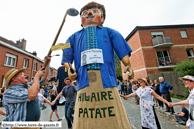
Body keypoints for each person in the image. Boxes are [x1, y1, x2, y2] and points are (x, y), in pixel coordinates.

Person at [61, 2, 134, 128]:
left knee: (113, 115)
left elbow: (121, 48)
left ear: (103, 19)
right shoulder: (73, 37)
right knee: (85, 115)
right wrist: (70, 69)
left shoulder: (110, 32)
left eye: (95, 11)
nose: (89, 13)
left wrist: (127, 64)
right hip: (84, 81)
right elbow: (66, 58)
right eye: (85, 13)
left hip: (106, 80)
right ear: (81, 20)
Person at [2, 56, 51, 124]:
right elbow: (32, 95)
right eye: (22, 74)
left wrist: (47, 63)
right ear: (14, 79)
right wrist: (36, 76)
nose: (25, 74)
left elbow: (42, 78)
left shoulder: (28, 86)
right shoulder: (9, 93)